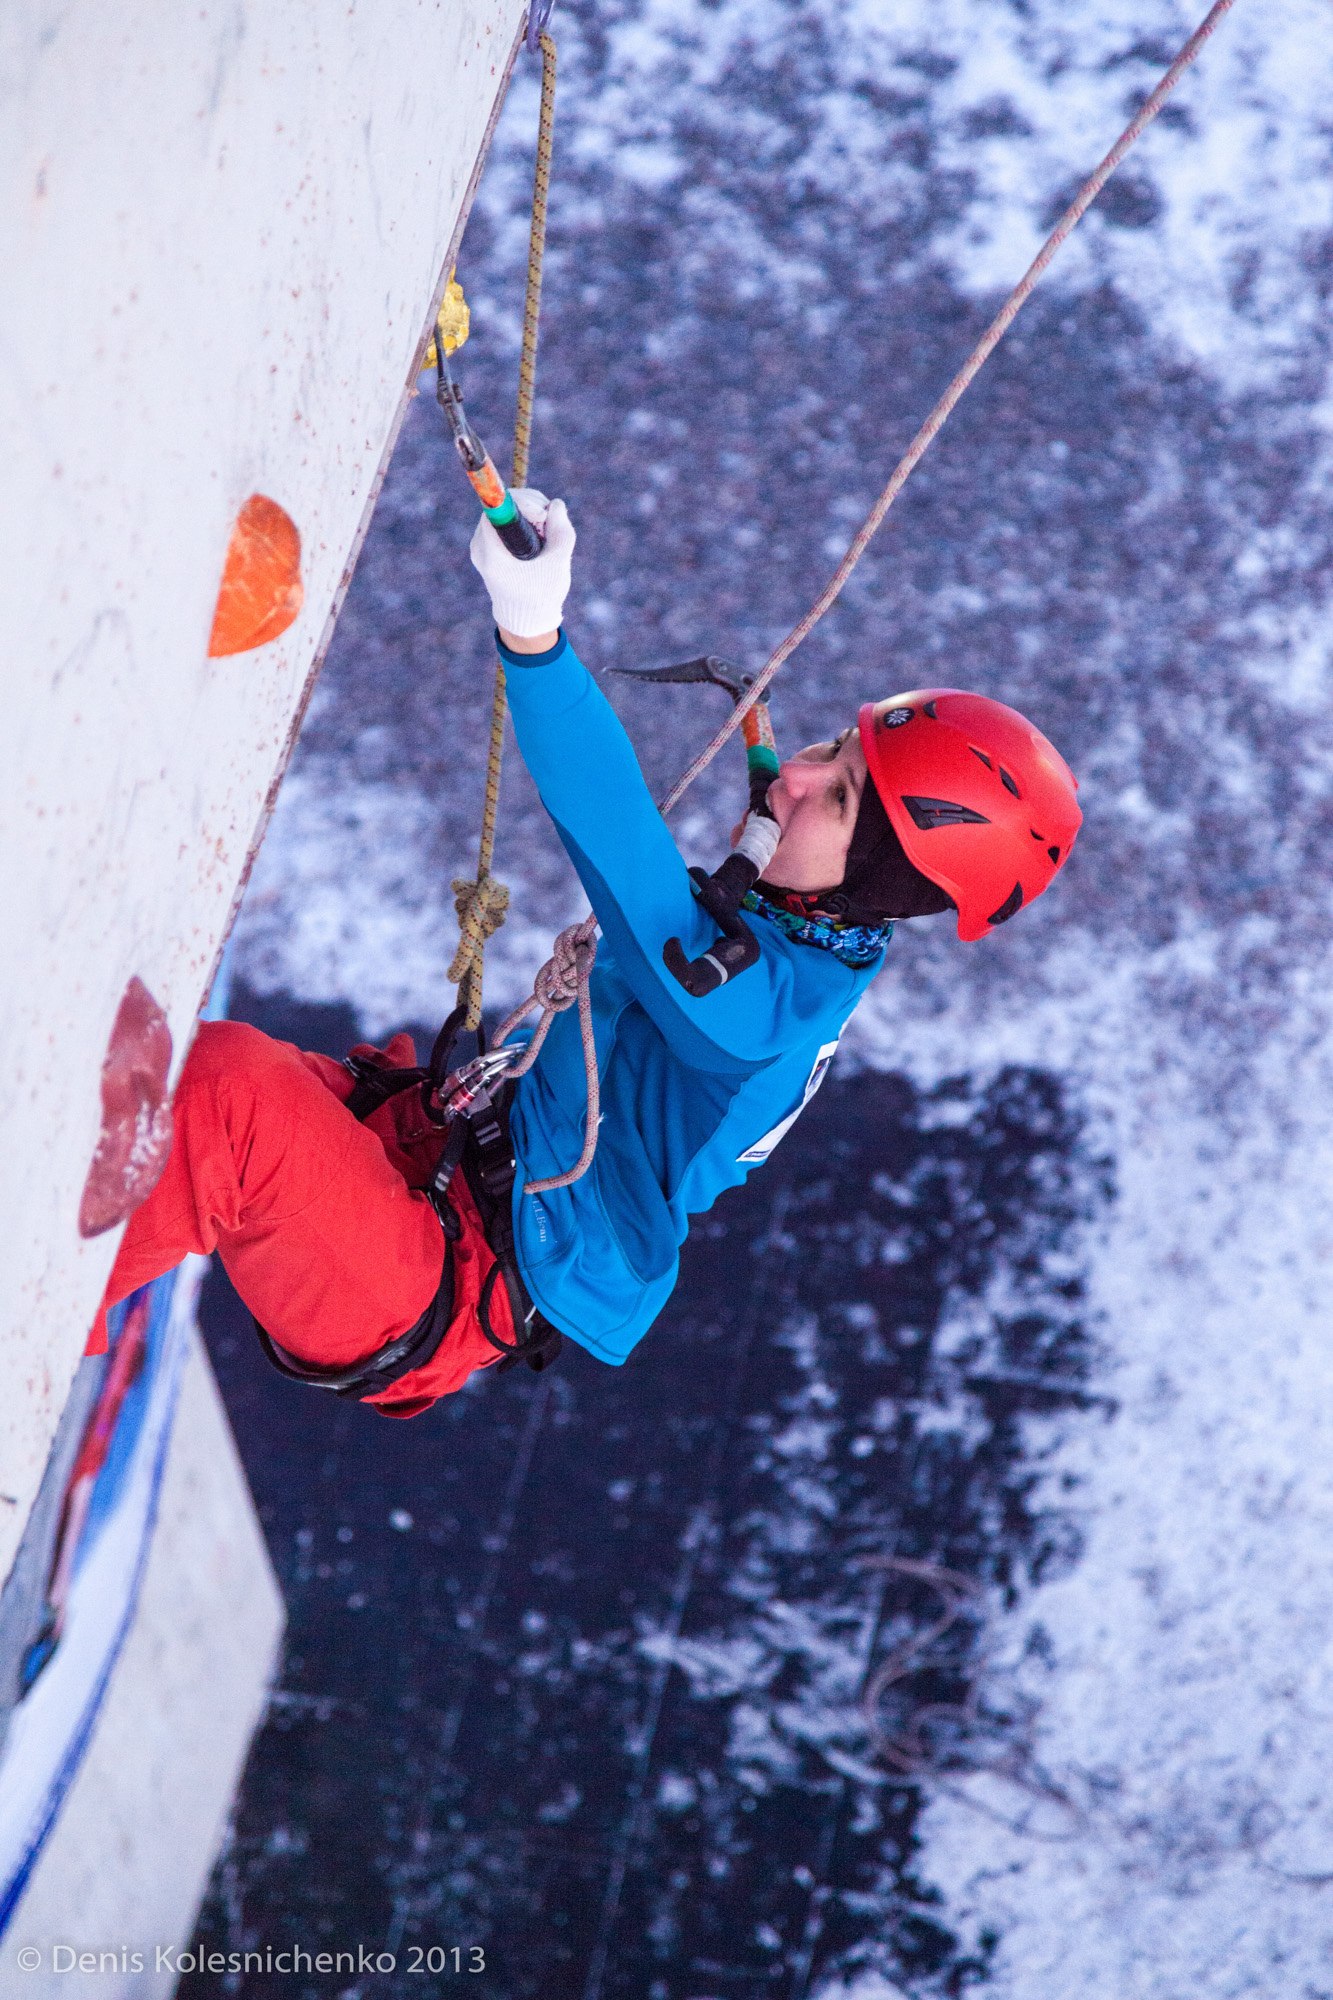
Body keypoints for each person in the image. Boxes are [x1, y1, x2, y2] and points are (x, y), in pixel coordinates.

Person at [91, 493, 1082, 1415]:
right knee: (155, 1074)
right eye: (829, 746)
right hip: (453, 1171)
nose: (797, 777)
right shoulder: (807, 931)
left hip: (444, 1271)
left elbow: (617, 841)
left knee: (223, 1105)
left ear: (875, 880)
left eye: (841, 797)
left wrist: (535, 635)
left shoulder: (750, 1003)